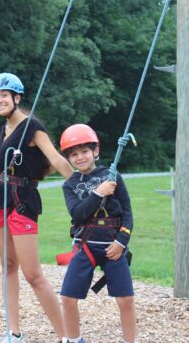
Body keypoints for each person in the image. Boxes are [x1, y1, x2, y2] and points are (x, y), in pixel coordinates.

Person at [0, 73, 74, 343]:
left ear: (17, 98)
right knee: (8, 266)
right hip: (0, 201)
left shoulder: (31, 127)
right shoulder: (4, 129)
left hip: (23, 202)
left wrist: (83, 185)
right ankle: (13, 333)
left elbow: (56, 159)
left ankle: (66, 336)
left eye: (4, 95)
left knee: (32, 274)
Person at [58, 124, 136, 343]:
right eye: (74, 154)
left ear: (95, 151)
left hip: (113, 244)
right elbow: (77, 215)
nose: (80, 157)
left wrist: (122, 241)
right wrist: (97, 193)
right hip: (86, 245)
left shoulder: (112, 176)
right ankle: (74, 339)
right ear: (69, 159)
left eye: (84, 151)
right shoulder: (70, 185)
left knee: (126, 299)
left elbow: (127, 213)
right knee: (67, 297)